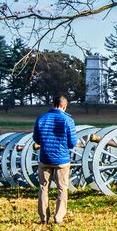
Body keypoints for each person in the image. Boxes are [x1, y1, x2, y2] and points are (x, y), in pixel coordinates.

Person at [33, 93, 77, 224]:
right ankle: (58, 217)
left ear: (54, 104)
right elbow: (72, 142)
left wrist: (45, 142)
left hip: (45, 158)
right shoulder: (68, 120)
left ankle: (43, 218)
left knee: (43, 188)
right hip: (62, 160)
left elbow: (36, 138)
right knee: (62, 188)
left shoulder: (41, 118)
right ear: (65, 106)